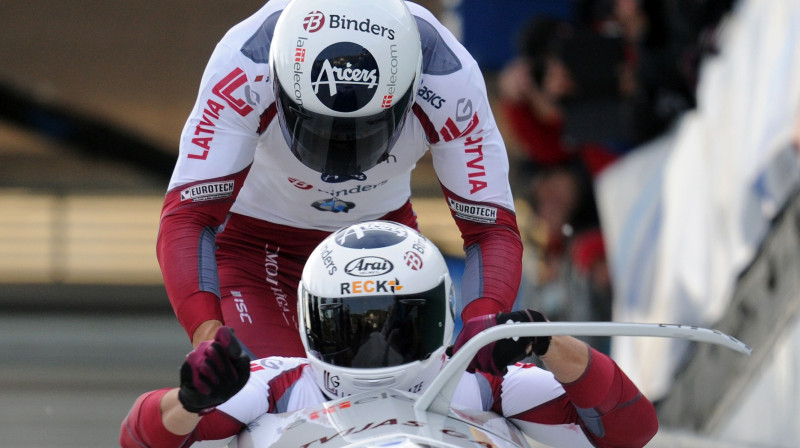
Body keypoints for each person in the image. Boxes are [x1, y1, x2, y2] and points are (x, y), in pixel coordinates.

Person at [158, 0, 523, 358]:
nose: (339, 158)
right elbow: (188, 216)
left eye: (363, 133)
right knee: (261, 396)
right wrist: (209, 338)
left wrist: (483, 332)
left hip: (381, 250)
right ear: (280, 81)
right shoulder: (244, 63)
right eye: (318, 130)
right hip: (258, 254)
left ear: (411, 88)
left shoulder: (448, 78)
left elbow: (490, 229)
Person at [121, 221, 658, 448]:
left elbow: (630, 431)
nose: (375, 342)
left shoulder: (485, 383)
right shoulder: (269, 385)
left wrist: (545, 342)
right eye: (353, 325)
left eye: (394, 323)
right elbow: (140, 440)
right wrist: (189, 400)